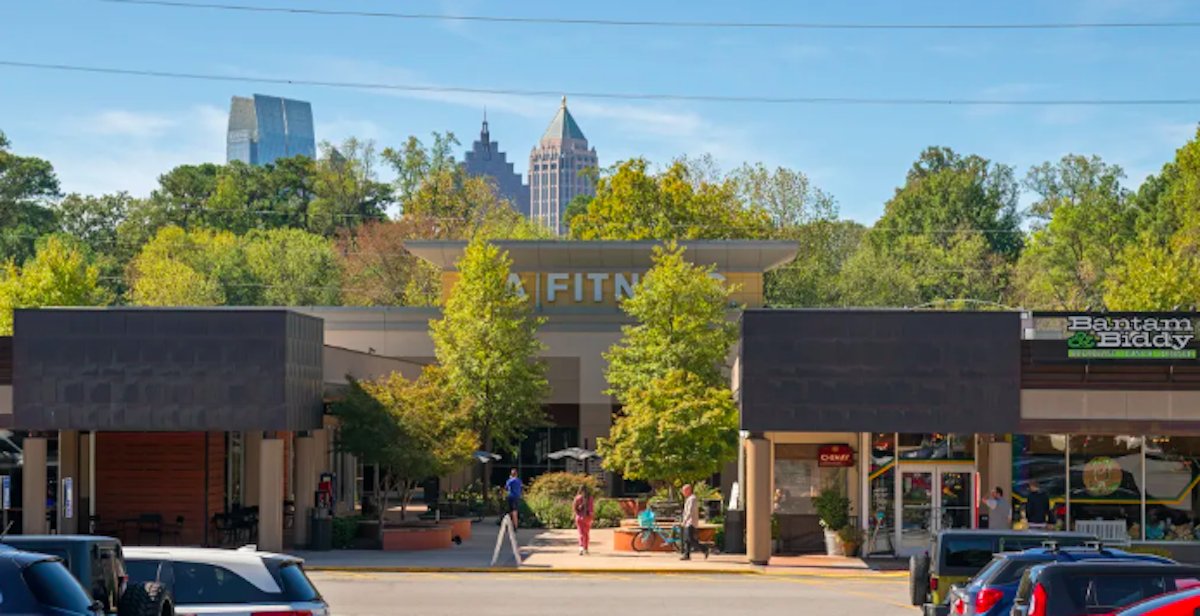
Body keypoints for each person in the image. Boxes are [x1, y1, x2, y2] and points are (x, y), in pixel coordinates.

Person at [680, 484, 709, 561]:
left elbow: (690, 511)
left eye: (684, 490)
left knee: (690, 539)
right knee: (686, 540)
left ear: (689, 490)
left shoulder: (692, 499)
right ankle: (687, 555)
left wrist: (684, 521)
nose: (682, 492)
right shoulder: (689, 498)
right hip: (688, 522)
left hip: (691, 522)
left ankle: (704, 549)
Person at [573, 485, 594, 555]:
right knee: (586, 534)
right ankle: (586, 548)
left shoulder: (577, 498)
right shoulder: (590, 498)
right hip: (588, 518)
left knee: (581, 533)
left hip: (579, 517)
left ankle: (581, 547)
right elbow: (591, 509)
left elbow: (574, 508)